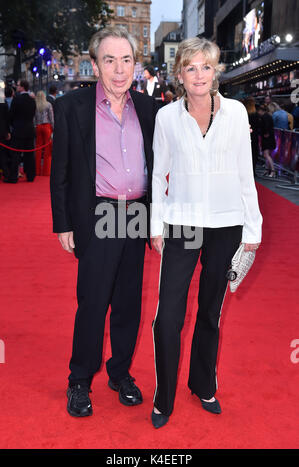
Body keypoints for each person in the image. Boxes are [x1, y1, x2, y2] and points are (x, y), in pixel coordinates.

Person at [150, 37, 262, 429]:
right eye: (190, 67)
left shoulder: (234, 113)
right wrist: (155, 226)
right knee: (169, 317)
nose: (199, 74)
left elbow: (245, 173)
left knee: (211, 312)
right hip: (182, 224)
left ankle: (203, 384)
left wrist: (254, 228)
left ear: (216, 71)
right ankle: (163, 397)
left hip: (226, 225)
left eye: (206, 66)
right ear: (179, 74)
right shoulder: (166, 117)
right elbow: (158, 173)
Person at [50, 26, 158, 418]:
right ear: (95, 64)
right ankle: (79, 380)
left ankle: (120, 372)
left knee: (129, 303)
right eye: (109, 60)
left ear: (135, 64)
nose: (118, 69)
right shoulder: (71, 107)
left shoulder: (149, 109)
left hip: (136, 215)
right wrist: (63, 224)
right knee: (93, 302)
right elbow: (59, 171)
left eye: (126, 60)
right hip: (97, 214)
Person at [9, 79, 36, 182]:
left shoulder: (16, 99)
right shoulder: (32, 100)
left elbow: (11, 115)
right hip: (29, 129)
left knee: (15, 154)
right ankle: (30, 176)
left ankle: (13, 177)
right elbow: (33, 114)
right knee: (29, 154)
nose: (16, 86)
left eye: (18, 85)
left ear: (22, 87)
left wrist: (13, 125)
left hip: (18, 130)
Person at [34, 91, 54, 176]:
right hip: (47, 126)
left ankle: (37, 171)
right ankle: (46, 171)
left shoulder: (35, 105)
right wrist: (54, 128)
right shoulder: (48, 104)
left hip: (38, 126)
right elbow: (51, 118)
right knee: (47, 149)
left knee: (38, 148)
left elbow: (33, 118)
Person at [257, 104, 276, 177]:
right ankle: (268, 170)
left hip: (267, 138)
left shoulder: (265, 117)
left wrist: (265, 133)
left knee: (266, 155)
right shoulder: (268, 116)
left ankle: (272, 171)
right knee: (267, 155)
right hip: (269, 138)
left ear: (261, 111)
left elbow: (266, 126)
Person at [243, 96, 261, 175]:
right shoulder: (256, 114)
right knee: (254, 154)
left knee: (245, 154)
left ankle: (245, 170)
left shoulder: (243, 113)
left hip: (244, 136)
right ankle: (253, 171)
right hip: (254, 136)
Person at [0, 84, 11, 181]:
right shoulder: (4, 104)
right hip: (2, 131)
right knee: (3, 154)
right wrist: (7, 131)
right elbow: (7, 119)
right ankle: (6, 174)